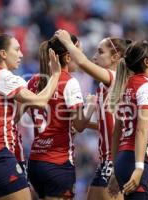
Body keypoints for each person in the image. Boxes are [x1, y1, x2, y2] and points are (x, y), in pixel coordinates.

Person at [0, 32, 61, 200]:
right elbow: (41, 101)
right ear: (3, 54)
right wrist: (56, 74)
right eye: (17, 49)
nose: (21, 54)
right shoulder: (4, 77)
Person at [56, 29, 131, 200]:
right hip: (105, 160)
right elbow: (81, 126)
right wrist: (87, 110)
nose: (94, 56)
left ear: (115, 57)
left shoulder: (115, 76)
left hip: (117, 159)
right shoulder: (102, 87)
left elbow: (82, 63)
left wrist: (67, 42)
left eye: (100, 51)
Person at [27, 34, 95, 200]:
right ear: (68, 56)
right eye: (79, 51)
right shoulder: (69, 82)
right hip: (58, 163)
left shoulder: (34, 80)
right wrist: (91, 106)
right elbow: (79, 125)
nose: (81, 57)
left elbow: (33, 113)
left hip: (35, 161)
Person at [109, 40, 148, 200]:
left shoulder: (125, 87)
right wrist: (139, 167)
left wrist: (114, 170)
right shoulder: (147, 86)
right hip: (138, 159)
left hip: (123, 159)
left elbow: (117, 131)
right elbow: (141, 129)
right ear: (147, 62)